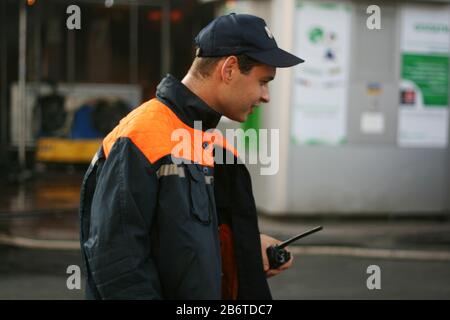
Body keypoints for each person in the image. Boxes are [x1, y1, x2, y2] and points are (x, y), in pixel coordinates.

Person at [79, 13, 304, 300]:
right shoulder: (142, 136)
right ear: (230, 69)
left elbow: (184, 241)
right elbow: (118, 263)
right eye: (263, 81)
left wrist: (243, 247)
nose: (266, 96)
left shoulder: (214, 144)